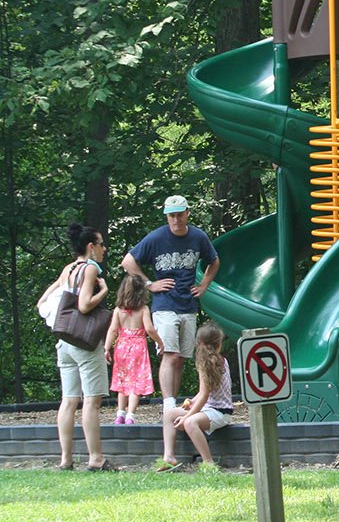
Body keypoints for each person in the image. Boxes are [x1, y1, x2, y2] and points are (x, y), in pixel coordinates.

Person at [121, 195, 219, 411]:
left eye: (179, 215)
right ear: (167, 216)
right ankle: (167, 404)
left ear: (187, 213)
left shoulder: (198, 237)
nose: (176, 220)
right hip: (164, 304)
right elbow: (128, 261)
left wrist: (203, 285)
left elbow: (214, 260)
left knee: (181, 358)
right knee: (170, 354)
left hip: (189, 304)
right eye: (171, 216)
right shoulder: (156, 238)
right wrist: (149, 284)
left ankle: (173, 402)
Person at [37, 223, 115, 470]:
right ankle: (96, 458)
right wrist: (103, 291)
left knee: (68, 400)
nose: (104, 248)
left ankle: (66, 459)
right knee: (91, 401)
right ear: (91, 247)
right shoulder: (90, 269)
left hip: (65, 342)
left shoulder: (68, 269)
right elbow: (84, 305)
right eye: (101, 244)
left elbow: (43, 301)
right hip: (84, 343)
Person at [157, 324, 234, 472]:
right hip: (208, 408)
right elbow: (204, 393)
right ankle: (169, 457)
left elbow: (205, 396)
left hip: (221, 412)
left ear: (198, 343)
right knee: (169, 414)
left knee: (190, 423)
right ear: (218, 344)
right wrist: (192, 401)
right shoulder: (205, 362)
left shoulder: (215, 363)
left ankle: (208, 462)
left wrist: (187, 417)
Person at [104, 275, 162, 425]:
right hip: (138, 348)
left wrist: (106, 348)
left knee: (122, 380)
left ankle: (120, 414)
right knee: (136, 382)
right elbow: (149, 328)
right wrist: (160, 343)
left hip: (121, 346)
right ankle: (130, 415)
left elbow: (113, 330)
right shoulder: (143, 309)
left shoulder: (118, 310)